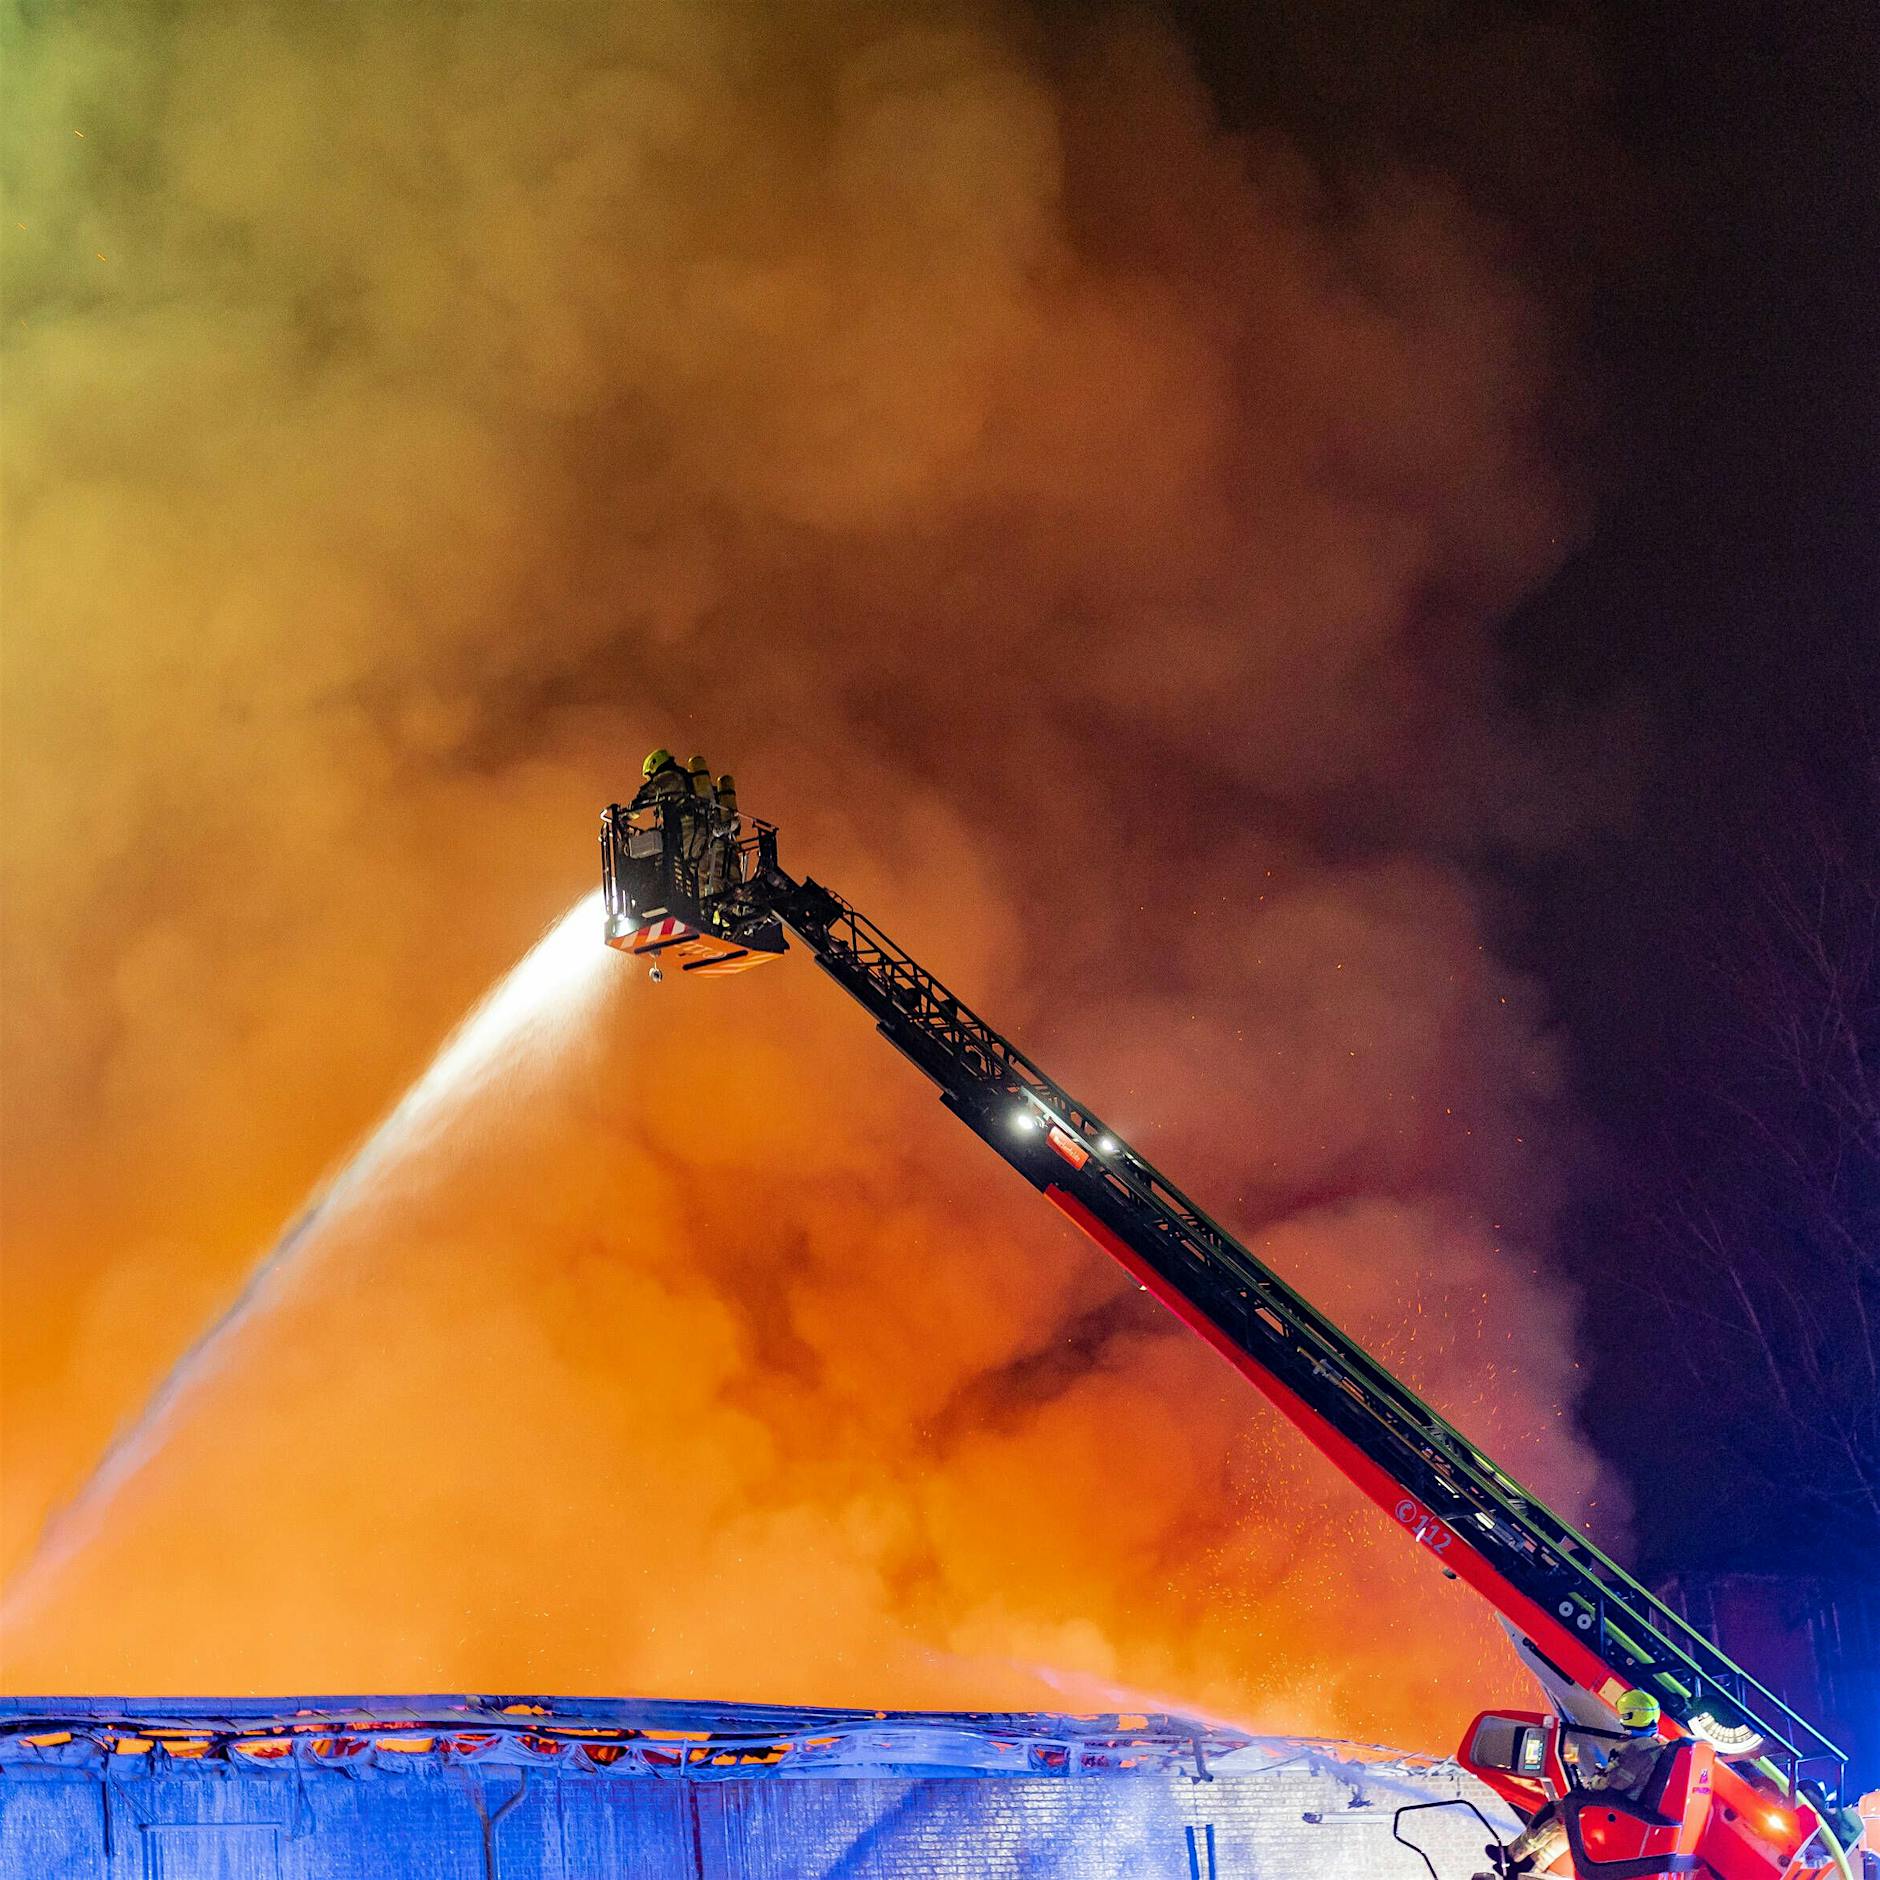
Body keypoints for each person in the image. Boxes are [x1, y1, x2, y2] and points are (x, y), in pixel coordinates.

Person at [1480, 1693, 1672, 1879]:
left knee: (1556, 1809)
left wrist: (1595, 1778)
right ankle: (1529, 1865)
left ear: (1631, 1716)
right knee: (1569, 1829)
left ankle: (1512, 1854)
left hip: (1615, 1808)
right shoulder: (1656, 1744)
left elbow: (1612, 1785)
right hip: (1625, 1810)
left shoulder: (1637, 1748)